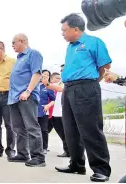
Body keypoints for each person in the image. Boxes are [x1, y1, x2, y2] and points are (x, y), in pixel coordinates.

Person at [55, 13, 111, 182]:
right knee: (70, 130)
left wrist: (91, 84)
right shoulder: (70, 47)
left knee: (90, 129)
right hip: (69, 89)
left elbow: (105, 67)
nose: (62, 33)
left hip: (86, 88)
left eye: (64, 30)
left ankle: (101, 169)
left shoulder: (94, 42)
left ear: (76, 29)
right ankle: (77, 164)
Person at [7, 33, 45, 167]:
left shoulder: (33, 54)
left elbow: (37, 73)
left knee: (31, 126)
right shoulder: (18, 58)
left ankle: (38, 157)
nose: (12, 45)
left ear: (22, 41)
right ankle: (23, 154)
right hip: (14, 97)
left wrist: (28, 91)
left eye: (13, 42)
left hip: (26, 96)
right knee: (18, 127)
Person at [43, 72, 70, 157]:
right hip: (49, 114)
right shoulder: (46, 87)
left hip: (58, 114)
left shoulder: (62, 85)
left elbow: (59, 89)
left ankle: (68, 151)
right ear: (52, 78)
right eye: (57, 78)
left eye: (59, 78)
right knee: (44, 131)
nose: (59, 79)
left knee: (63, 133)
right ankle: (42, 147)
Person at [37, 69, 55, 154]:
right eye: (43, 74)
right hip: (33, 111)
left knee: (44, 130)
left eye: (47, 75)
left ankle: (44, 147)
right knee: (33, 129)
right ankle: (33, 147)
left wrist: (48, 105)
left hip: (43, 111)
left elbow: (53, 100)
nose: (45, 76)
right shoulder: (35, 85)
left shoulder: (48, 86)